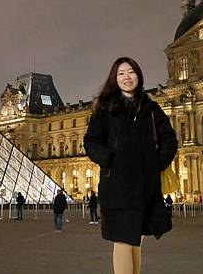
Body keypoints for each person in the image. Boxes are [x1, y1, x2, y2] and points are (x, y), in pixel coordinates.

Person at [84, 57, 178, 274]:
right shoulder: (105, 109)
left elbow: (169, 139)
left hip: (146, 186)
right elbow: (91, 142)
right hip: (117, 186)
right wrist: (111, 160)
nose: (127, 77)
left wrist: (157, 163)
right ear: (114, 79)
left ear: (138, 75)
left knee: (135, 241)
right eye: (121, 73)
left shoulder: (151, 108)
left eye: (131, 72)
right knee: (123, 240)